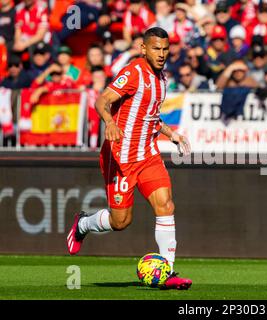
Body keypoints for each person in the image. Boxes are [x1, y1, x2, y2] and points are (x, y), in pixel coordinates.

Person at [66, 27, 192, 290]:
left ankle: (167, 272)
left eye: (165, 49)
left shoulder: (162, 79)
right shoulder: (134, 72)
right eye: (156, 48)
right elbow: (102, 100)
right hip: (120, 156)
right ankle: (84, 223)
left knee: (166, 205)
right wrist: (109, 122)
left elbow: (150, 116)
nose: (162, 54)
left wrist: (172, 134)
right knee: (120, 222)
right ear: (143, 48)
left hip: (147, 154)